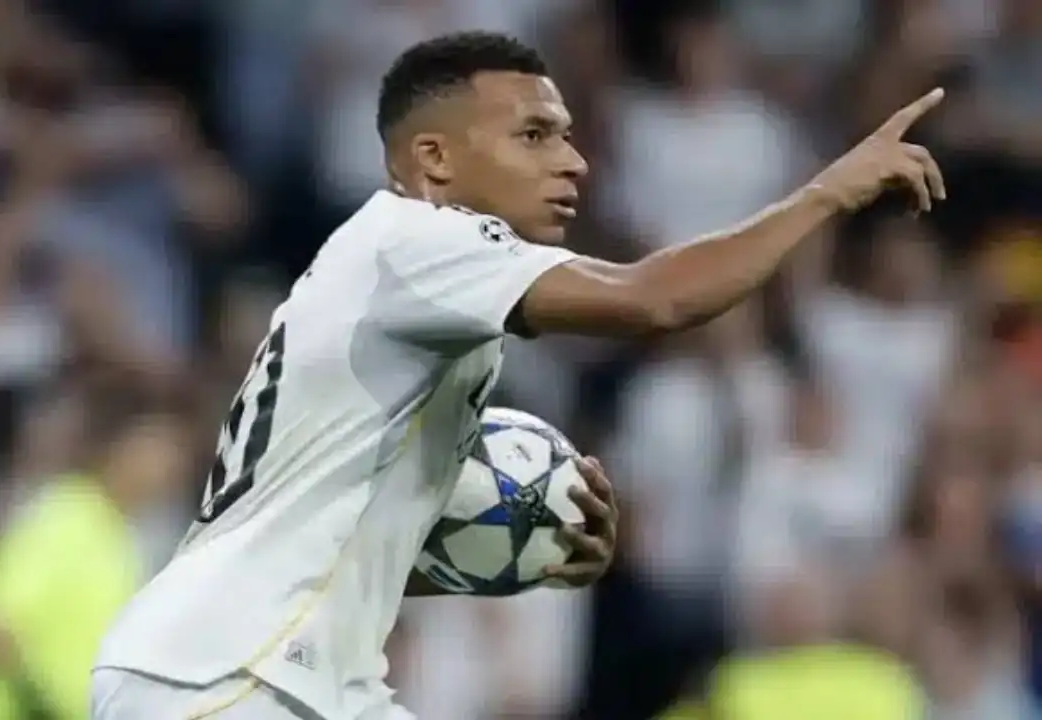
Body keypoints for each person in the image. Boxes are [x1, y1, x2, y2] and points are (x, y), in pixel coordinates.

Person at [92, 31, 946, 720]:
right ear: (434, 161)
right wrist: (826, 194)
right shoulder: (419, 242)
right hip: (234, 676)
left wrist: (527, 548)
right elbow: (655, 300)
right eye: (533, 136)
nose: (571, 161)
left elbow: (343, 555)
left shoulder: (406, 299)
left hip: (264, 670)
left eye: (566, 135)